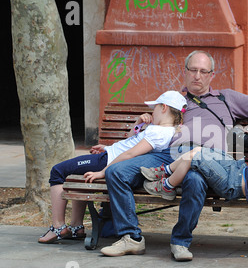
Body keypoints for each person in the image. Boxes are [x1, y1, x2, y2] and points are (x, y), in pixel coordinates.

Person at [101, 50, 248, 259]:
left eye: (204, 71)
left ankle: (180, 241)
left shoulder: (226, 98)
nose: (197, 76)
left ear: (212, 75)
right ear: (184, 72)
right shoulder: (176, 101)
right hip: (170, 154)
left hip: (211, 161)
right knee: (117, 172)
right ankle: (131, 238)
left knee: (195, 180)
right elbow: (153, 128)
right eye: (193, 70)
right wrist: (144, 119)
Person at [38, 91, 186, 244]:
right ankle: (76, 227)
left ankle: (58, 226)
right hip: (109, 156)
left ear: (164, 108)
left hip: (107, 162)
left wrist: (103, 171)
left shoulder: (159, 132)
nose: (152, 112)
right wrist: (137, 124)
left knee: (58, 171)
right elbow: (129, 142)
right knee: (77, 171)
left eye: (155, 107)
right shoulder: (166, 131)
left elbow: (130, 154)